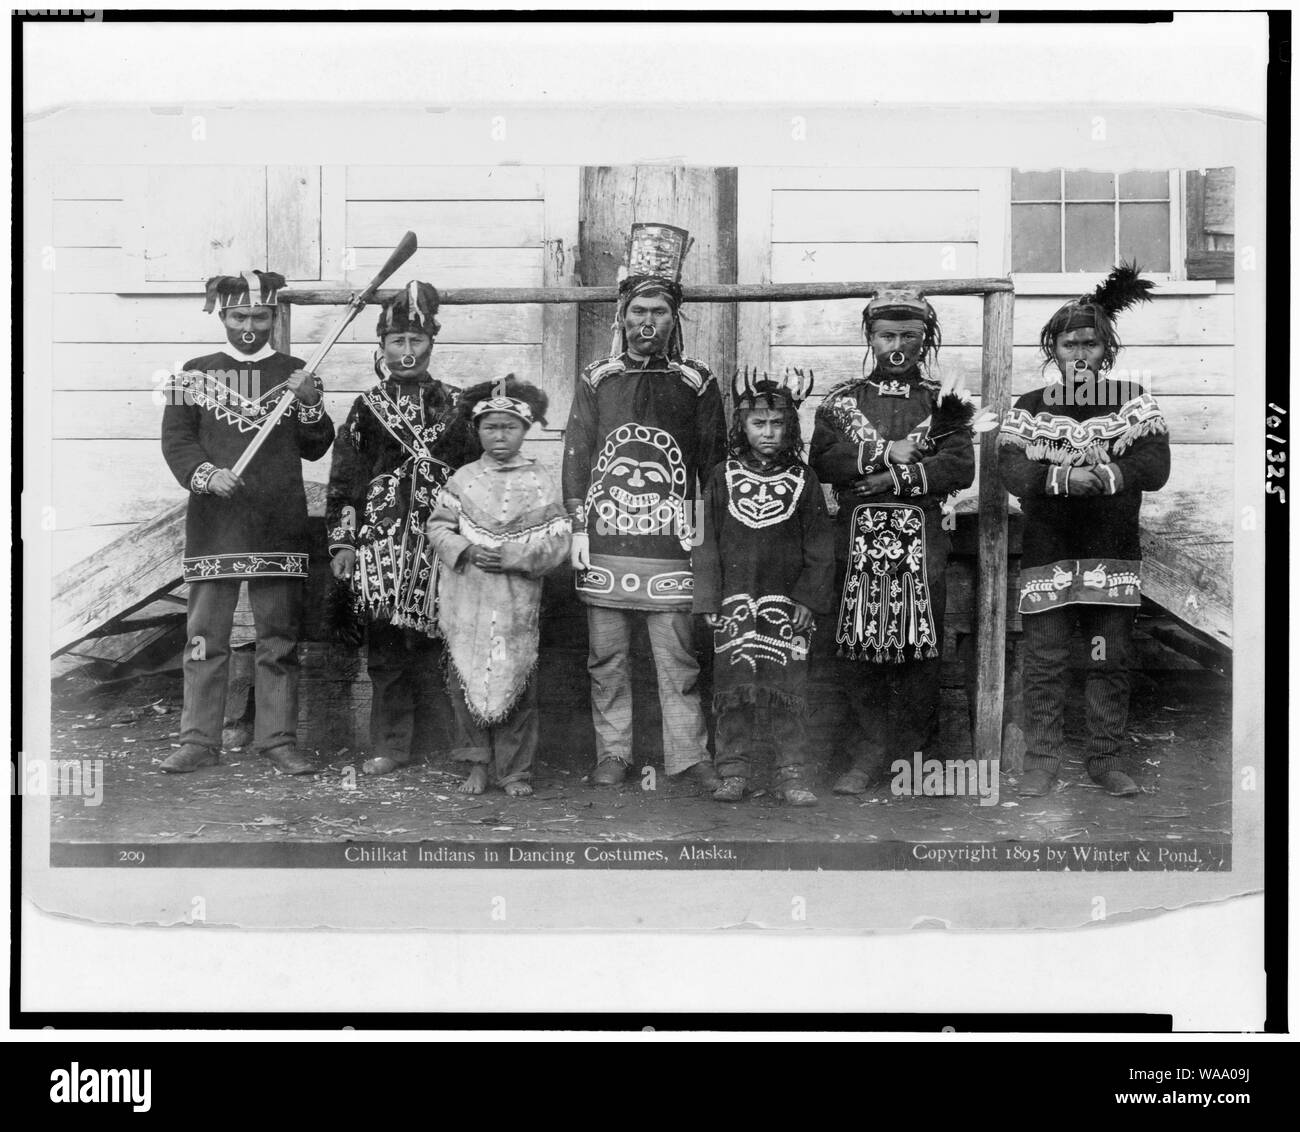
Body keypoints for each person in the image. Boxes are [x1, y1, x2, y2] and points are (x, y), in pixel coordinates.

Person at [561, 224, 726, 789]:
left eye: (658, 311)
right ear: (622, 317)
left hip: (672, 544)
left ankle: (688, 756)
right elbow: (577, 454)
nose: (647, 323)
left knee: (677, 661)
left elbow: (714, 468)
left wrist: (703, 541)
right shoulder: (597, 379)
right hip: (606, 537)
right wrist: (578, 524)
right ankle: (613, 754)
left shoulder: (696, 382)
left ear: (673, 318)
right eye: (638, 312)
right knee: (606, 659)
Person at [999, 263, 1170, 798]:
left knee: (1106, 659)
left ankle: (1104, 761)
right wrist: (1064, 478)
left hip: (1109, 555)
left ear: (1106, 350)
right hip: (1047, 555)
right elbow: (1012, 470)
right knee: (1045, 662)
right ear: (1053, 349)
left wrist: (1111, 475)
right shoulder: (1028, 408)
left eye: (1090, 344)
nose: (1079, 354)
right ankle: (1042, 763)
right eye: (1069, 343)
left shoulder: (1132, 400)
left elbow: (1156, 466)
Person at [159, 270, 335, 775]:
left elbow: (316, 444)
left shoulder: (300, 369)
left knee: (278, 639)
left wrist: (310, 403)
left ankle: (277, 740)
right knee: (204, 637)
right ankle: (197, 740)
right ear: (222, 316)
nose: (250, 326)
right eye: (239, 316)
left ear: (274, 316)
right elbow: (176, 441)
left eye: (260, 316)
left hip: (278, 522)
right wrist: (206, 474)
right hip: (216, 523)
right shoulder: (188, 375)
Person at [810, 289, 976, 795]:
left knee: (917, 646)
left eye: (909, 335)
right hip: (856, 539)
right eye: (887, 336)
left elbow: (959, 466)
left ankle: (916, 760)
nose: (897, 345)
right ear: (871, 338)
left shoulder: (943, 401)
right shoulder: (842, 401)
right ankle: (866, 756)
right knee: (860, 645)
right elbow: (825, 460)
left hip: (920, 537)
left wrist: (890, 480)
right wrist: (886, 451)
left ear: (926, 339)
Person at [325, 281, 479, 776]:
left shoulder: (457, 407)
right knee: (388, 651)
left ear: (431, 344)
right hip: (382, 547)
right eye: (398, 342)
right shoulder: (365, 409)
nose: (407, 351)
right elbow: (346, 478)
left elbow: (477, 476)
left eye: (416, 341)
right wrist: (343, 542)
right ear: (383, 347)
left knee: (441, 646)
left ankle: (446, 745)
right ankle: (392, 747)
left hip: (442, 543)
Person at [693, 367, 835, 805]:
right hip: (735, 599)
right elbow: (704, 538)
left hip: (786, 604)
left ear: (790, 426)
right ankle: (733, 770)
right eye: (758, 423)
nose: (768, 433)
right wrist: (707, 596)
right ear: (742, 425)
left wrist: (809, 598)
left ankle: (792, 773)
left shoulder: (804, 480)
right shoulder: (719, 476)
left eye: (777, 424)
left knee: (788, 687)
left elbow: (820, 545)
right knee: (732, 687)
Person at [425, 378, 571, 797]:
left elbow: (557, 541)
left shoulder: (539, 480)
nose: (500, 435)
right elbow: (437, 526)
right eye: (491, 427)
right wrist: (466, 550)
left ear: (525, 430)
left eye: (509, 426)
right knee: (465, 683)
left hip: (514, 601)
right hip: (467, 597)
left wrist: (513, 557)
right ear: (478, 430)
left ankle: (515, 770)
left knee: (515, 682)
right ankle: (476, 765)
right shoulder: (464, 478)